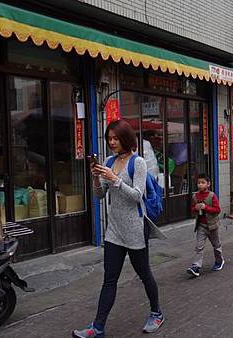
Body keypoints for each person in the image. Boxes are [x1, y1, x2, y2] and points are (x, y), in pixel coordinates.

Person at [73, 120, 164, 337]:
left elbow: (137, 195)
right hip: (114, 230)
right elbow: (99, 195)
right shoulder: (109, 161)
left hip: (135, 229)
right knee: (109, 279)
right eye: (109, 138)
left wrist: (115, 180)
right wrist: (96, 177)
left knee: (144, 274)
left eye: (116, 138)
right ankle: (98, 327)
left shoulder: (138, 162)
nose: (112, 142)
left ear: (126, 138)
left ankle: (157, 313)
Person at [186, 174, 224, 278]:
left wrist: (205, 207)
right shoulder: (195, 196)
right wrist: (196, 209)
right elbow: (192, 211)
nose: (200, 185)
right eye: (198, 183)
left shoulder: (212, 196)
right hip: (201, 225)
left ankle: (219, 261)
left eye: (203, 182)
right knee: (199, 246)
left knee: (216, 245)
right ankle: (196, 267)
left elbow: (217, 210)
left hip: (212, 226)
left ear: (208, 184)